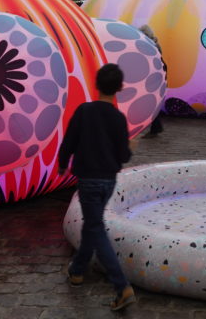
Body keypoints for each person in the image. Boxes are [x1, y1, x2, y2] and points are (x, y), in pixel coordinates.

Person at [58, 63, 137, 311]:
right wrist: (129, 148)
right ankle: (78, 271)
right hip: (108, 181)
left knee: (95, 227)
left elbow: (69, 140)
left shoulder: (84, 111)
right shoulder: (117, 118)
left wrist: (62, 164)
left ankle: (121, 285)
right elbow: (123, 156)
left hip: (88, 179)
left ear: (96, 84)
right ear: (120, 88)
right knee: (93, 225)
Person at [139, 24, 165, 137]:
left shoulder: (149, 45)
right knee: (152, 103)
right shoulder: (155, 44)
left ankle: (155, 128)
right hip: (156, 76)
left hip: (151, 77)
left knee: (150, 103)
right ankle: (156, 127)